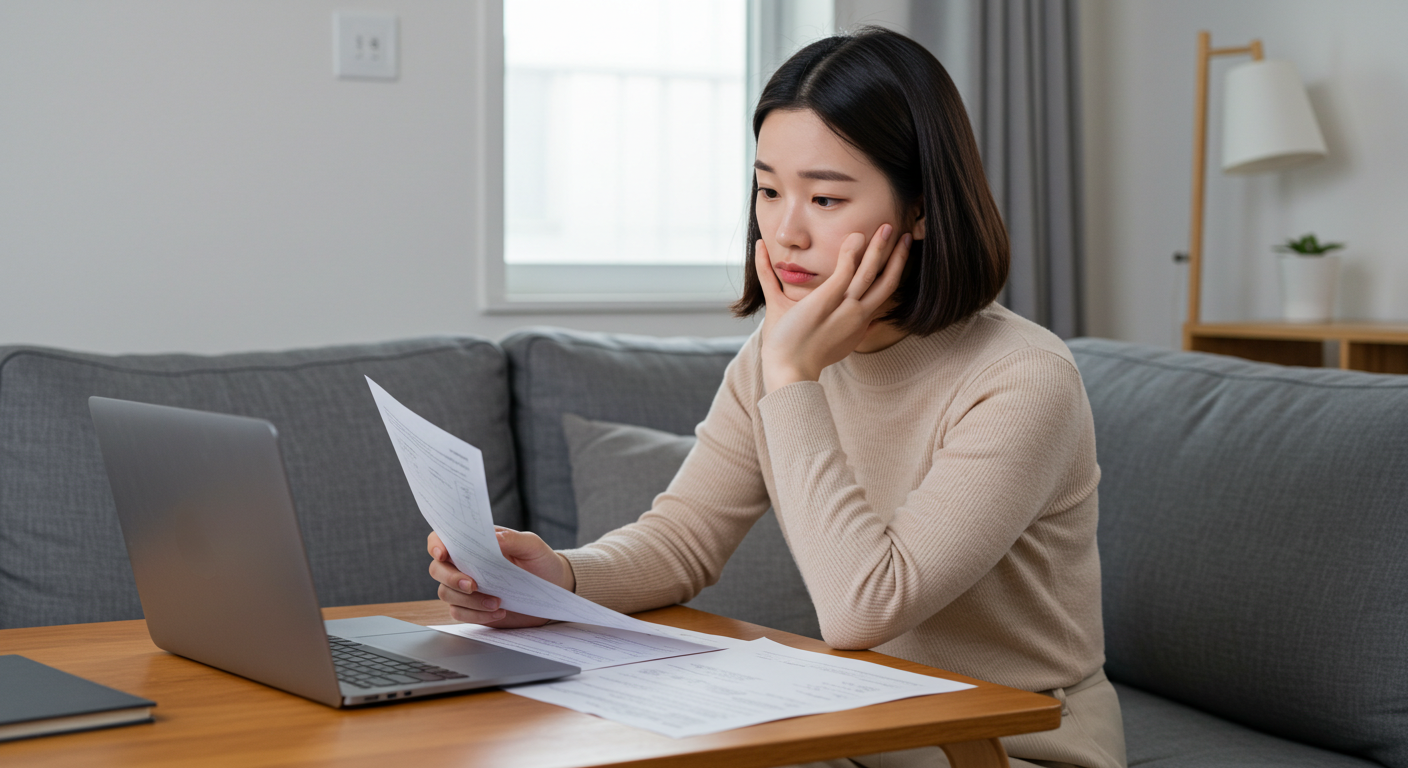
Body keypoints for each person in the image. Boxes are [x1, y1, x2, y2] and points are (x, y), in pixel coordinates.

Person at [428, 27, 1125, 768]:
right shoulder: (778, 350)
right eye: (767, 190)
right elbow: (684, 539)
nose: (786, 231)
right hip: (864, 725)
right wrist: (557, 577)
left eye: (824, 197)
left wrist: (794, 379)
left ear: (920, 210)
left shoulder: (1021, 378)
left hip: (1011, 745)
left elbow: (866, 607)